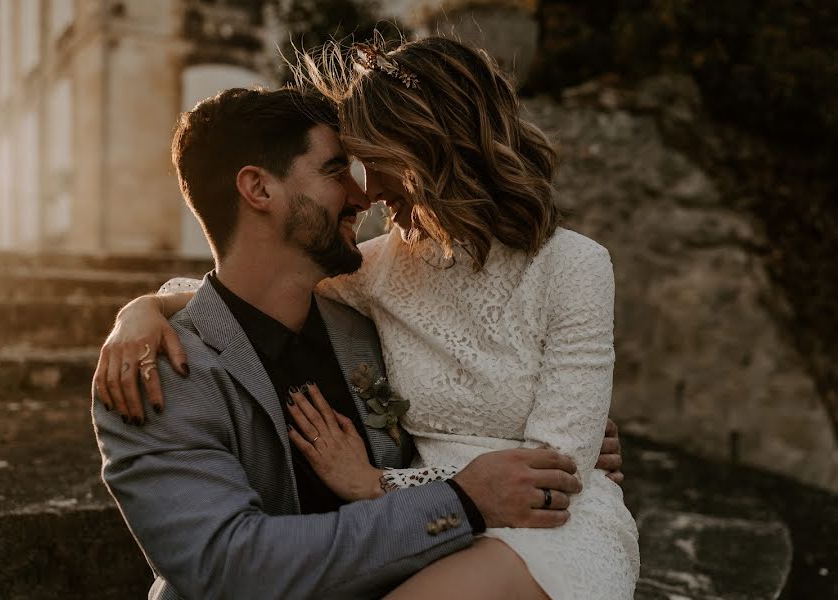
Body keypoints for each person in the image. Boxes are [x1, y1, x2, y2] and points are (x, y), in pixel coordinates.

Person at [93, 85, 624, 600]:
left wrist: (545, 444)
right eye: (333, 171)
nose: (361, 194)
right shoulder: (156, 374)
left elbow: (451, 424)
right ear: (259, 189)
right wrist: (461, 500)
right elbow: (230, 569)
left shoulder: (365, 323)